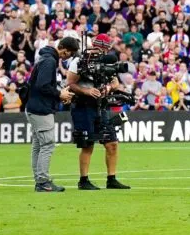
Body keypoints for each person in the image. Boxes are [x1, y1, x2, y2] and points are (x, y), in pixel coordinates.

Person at [67, 33, 130, 190]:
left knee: (112, 143)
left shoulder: (108, 61)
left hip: (101, 106)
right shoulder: (79, 60)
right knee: (87, 144)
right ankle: (83, 180)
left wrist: (107, 87)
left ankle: (111, 178)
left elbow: (114, 82)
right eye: (105, 47)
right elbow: (71, 83)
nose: (105, 51)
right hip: (83, 105)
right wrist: (87, 91)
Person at [26, 36, 78, 193]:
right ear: (63, 49)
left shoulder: (46, 58)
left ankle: (40, 180)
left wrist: (58, 91)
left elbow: (42, 84)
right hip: (41, 109)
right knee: (47, 144)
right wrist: (59, 94)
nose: (68, 57)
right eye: (69, 53)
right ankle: (43, 181)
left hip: (35, 107)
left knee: (38, 145)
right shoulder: (49, 61)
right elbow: (43, 86)